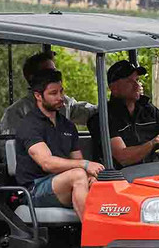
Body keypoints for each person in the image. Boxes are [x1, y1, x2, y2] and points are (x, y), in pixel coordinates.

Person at [15, 69, 102, 215]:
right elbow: (47, 163)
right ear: (38, 96)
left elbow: (77, 159)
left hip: (62, 183)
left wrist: (91, 177)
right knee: (79, 175)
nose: (60, 97)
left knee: (98, 182)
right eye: (53, 93)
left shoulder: (67, 125)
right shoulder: (29, 125)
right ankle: (93, 235)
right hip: (34, 189)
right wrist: (85, 165)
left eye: (61, 91)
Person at [0, 49, 97, 135]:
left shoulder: (64, 104)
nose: (54, 76)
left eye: (55, 72)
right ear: (33, 79)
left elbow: (90, 112)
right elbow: (9, 149)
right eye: (48, 73)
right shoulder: (15, 113)